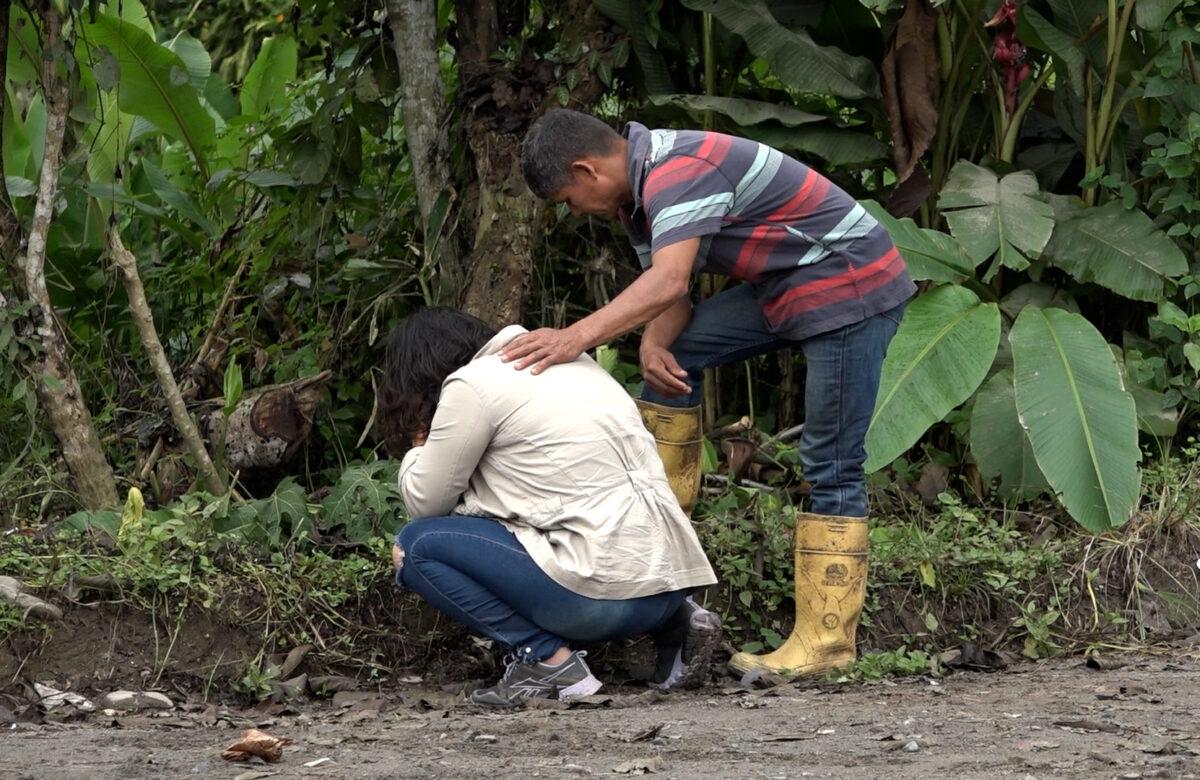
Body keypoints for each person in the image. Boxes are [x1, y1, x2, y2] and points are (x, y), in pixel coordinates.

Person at [505, 109, 915, 679]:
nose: (576, 213)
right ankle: (662, 535)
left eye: (570, 200)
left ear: (586, 169)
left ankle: (826, 647)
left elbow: (670, 280)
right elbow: (669, 294)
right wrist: (652, 344)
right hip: (788, 283)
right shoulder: (639, 197)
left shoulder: (677, 171)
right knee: (669, 364)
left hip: (847, 282)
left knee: (831, 462)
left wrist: (575, 336)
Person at [381, 308, 721, 707]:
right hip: (668, 587)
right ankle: (680, 622)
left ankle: (544, 659)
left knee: (415, 546)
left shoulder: (472, 383)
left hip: (598, 606)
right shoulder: (577, 363)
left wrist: (419, 446)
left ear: (422, 371)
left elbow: (426, 501)